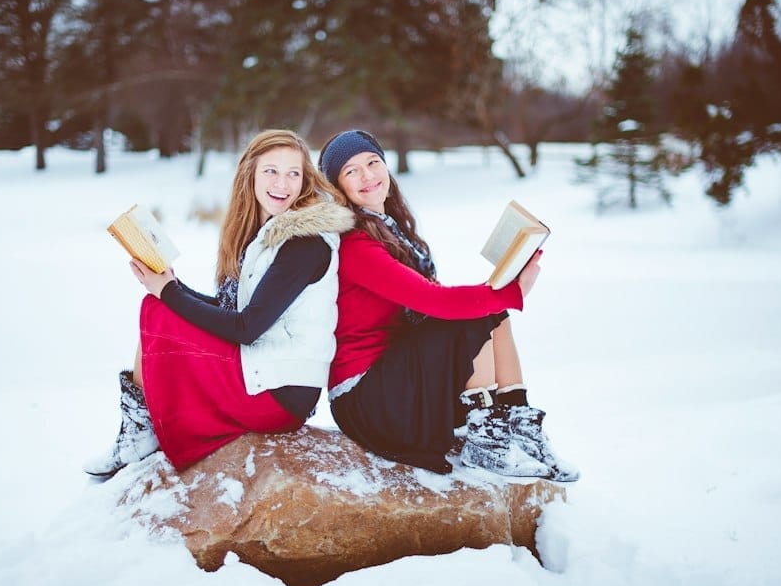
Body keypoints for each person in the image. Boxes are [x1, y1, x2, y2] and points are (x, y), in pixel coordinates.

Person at [84, 129, 355, 477]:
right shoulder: (269, 235)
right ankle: (142, 427)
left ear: (304, 182)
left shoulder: (304, 243)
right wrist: (172, 286)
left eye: (293, 174)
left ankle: (141, 430)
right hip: (267, 370)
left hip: (280, 392)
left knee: (159, 310)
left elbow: (247, 327)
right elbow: (236, 314)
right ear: (251, 175)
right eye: (271, 171)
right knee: (161, 306)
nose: (282, 183)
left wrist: (169, 292)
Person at [318, 129, 579, 481]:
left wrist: (499, 292)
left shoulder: (393, 231)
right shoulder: (355, 244)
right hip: (366, 396)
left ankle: (519, 424)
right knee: (472, 314)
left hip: (397, 377)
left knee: (489, 313)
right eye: (351, 171)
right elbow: (432, 301)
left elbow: (433, 302)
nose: (367, 176)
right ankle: (484, 436)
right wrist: (509, 292)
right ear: (338, 187)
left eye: (373, 163)